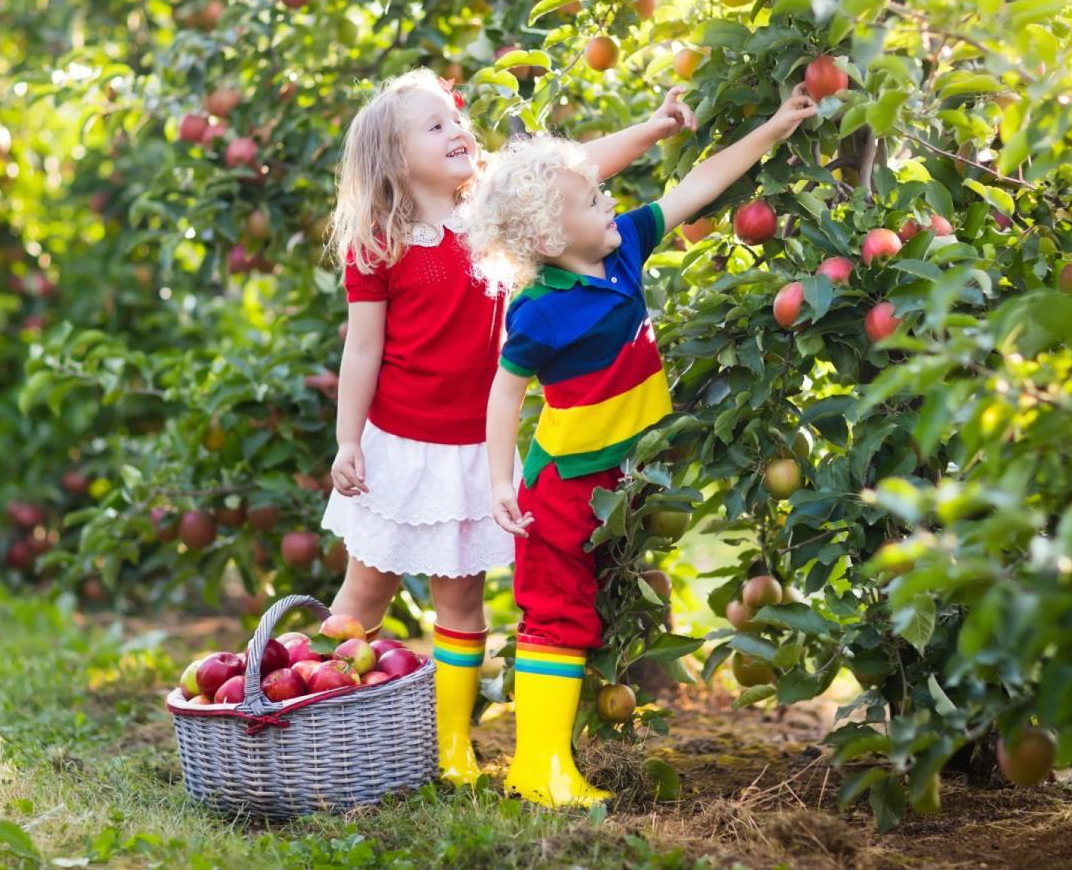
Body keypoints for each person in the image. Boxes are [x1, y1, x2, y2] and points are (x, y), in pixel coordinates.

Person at [319, 67, 697, 787]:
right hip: (399, 445)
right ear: (394, 157)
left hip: (472, 447)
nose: (458, 131)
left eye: (456, 118)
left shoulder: (489, 203)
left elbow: (577, 170)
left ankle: (450, 746)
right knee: (366, 589)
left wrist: (652, 129)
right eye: (435, 125)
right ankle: (321, 714)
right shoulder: (380, 242)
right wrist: (348, 440)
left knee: (461, 601)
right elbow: (361, 349)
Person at [468, 84, 818, 808]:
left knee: (590, 611)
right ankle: (538, 767)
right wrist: (500, 483)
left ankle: (550, 759)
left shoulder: (625, 247)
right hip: (563, 486)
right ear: (548, 239)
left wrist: (775, 127)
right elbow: (505, 395)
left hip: (621, 481)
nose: (609, 203)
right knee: (556, 615)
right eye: (592, 200)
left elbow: (700, 184)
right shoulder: (538, 312)